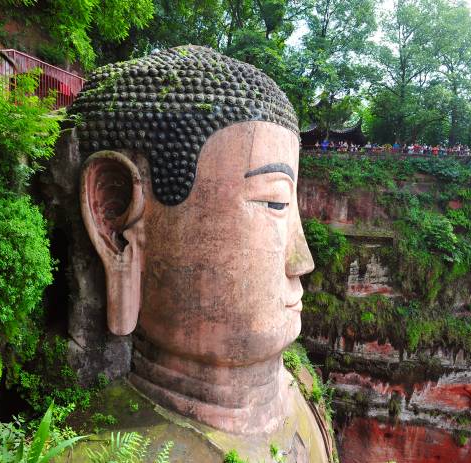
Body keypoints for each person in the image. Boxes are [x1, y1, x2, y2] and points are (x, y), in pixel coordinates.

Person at [72, 45, 331, 462]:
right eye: (276, 203)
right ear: (115, 222)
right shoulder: (95, 452)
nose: (303, 260)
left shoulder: (301, 383)